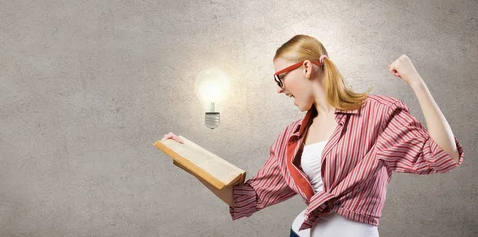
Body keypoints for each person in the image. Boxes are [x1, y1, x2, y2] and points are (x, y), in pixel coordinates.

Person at [162, 34, 465, 237]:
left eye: (279, 78)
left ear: (306, 68)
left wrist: (416, 81)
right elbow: (247, 198)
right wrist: (190, 161)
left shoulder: (376, 112)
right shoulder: (290, 138)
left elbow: (444, 156)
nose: (279, 89)